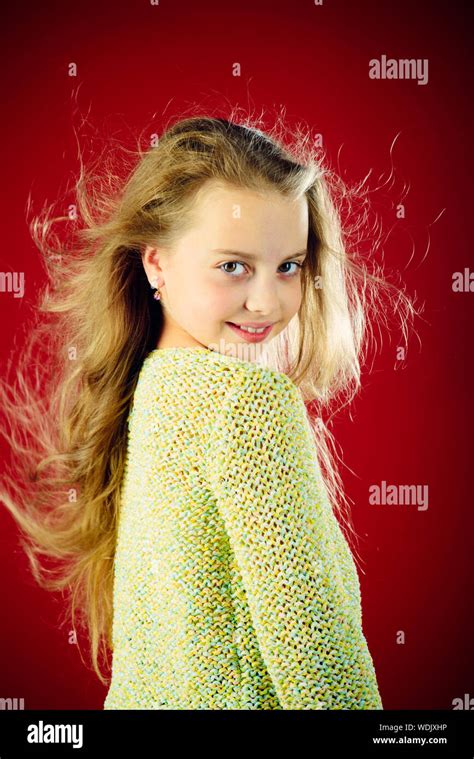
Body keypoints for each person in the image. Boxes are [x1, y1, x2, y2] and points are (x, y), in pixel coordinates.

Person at [0, 114, 417, 709]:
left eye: (289, 266)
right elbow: (321, 665)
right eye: (233, 266)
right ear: (155, 265)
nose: (267, 300)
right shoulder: (246, 405)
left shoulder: (145, 390)